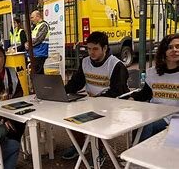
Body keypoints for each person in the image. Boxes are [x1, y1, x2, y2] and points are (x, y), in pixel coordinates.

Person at [62, 31, 129, 164]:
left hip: (113, 106)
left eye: (95, 49)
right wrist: (61, 92)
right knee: (68, 115)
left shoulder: (116, 65)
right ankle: (81, 146)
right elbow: (76, 83)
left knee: (95, 119)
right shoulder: (85, 62)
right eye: (89, 49)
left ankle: (99, 152)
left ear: (105, 48)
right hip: (91, 103)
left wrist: (96, 100)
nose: (91, 52)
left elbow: (118, 91)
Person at [131, 33, 179, 142]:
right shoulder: (153, 73)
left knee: (147, 126)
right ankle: (136, 155)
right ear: (163, 51)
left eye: (178, 47)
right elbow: (145, 94)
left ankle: (137, 155)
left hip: (176, 118)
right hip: (156, 114)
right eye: (170, 47)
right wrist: (130, 100)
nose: (174, 50)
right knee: (139, 123)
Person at [0, 45, 25, 141]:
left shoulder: (11, 71)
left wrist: (10, 115)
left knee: (21, 121)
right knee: (9, 130)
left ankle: (14, 147)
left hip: (12, 110)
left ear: (5, 57)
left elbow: (19, 92)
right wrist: (3, 118)